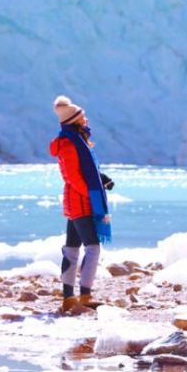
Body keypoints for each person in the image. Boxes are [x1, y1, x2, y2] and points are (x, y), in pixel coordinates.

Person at [50, 95, 112, 315]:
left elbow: (87, 171)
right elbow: (72, 176)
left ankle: (69, 298)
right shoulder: (69, 143)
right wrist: (91, 195)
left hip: (78, 202)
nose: (86, 120)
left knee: (72, 249)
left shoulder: (78, 141)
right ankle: (84, 295)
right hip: (79, 203)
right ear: (74, 120)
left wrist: (101, 178)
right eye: (83, 117)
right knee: (93, 248)